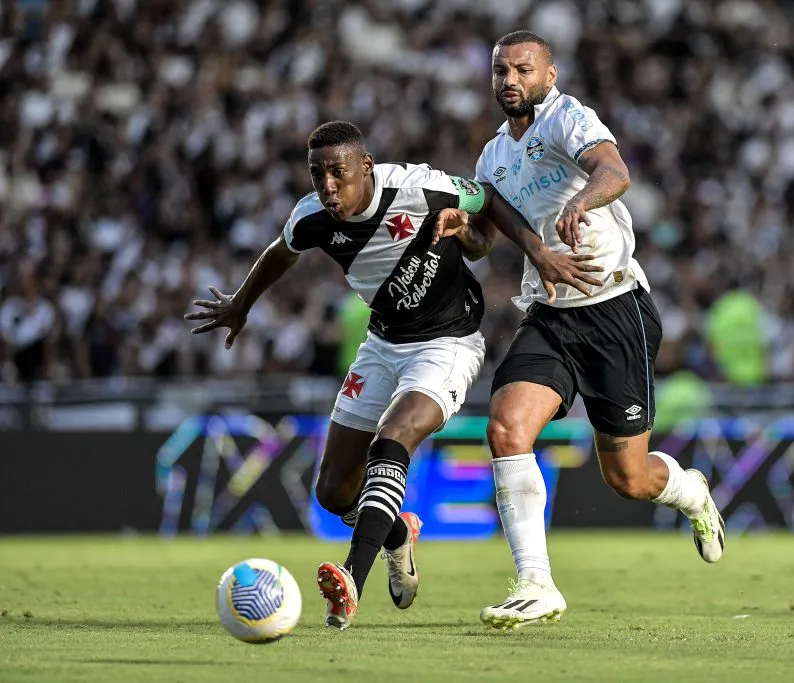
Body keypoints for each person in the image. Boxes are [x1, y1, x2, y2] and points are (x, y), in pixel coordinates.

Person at [184, 120, 603, 632]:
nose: (328, 187)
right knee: (335, 492)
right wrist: (239, 305)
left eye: (338, 173)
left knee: (394, 437)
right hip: (382, 346)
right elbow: (281, 250)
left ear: (365, 166)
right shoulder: (311, 216)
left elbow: (486, 202)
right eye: (318, 176)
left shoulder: (418, 187)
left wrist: (528, 250)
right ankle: (397, 536)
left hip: (449, 342)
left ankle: (351, 582)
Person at [471, 32, 727, 629]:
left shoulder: (566, 116)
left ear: (549, 74)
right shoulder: (491, 158)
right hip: (551, 314)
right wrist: (466, 227)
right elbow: (490, 226)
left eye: (523, 70)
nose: (511, 80)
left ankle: (691, 491)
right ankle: (536, 583)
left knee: (629, 479)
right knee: (506, 427)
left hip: (614, 310)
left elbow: (615, 171)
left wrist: (583, 201)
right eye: (501, 70)